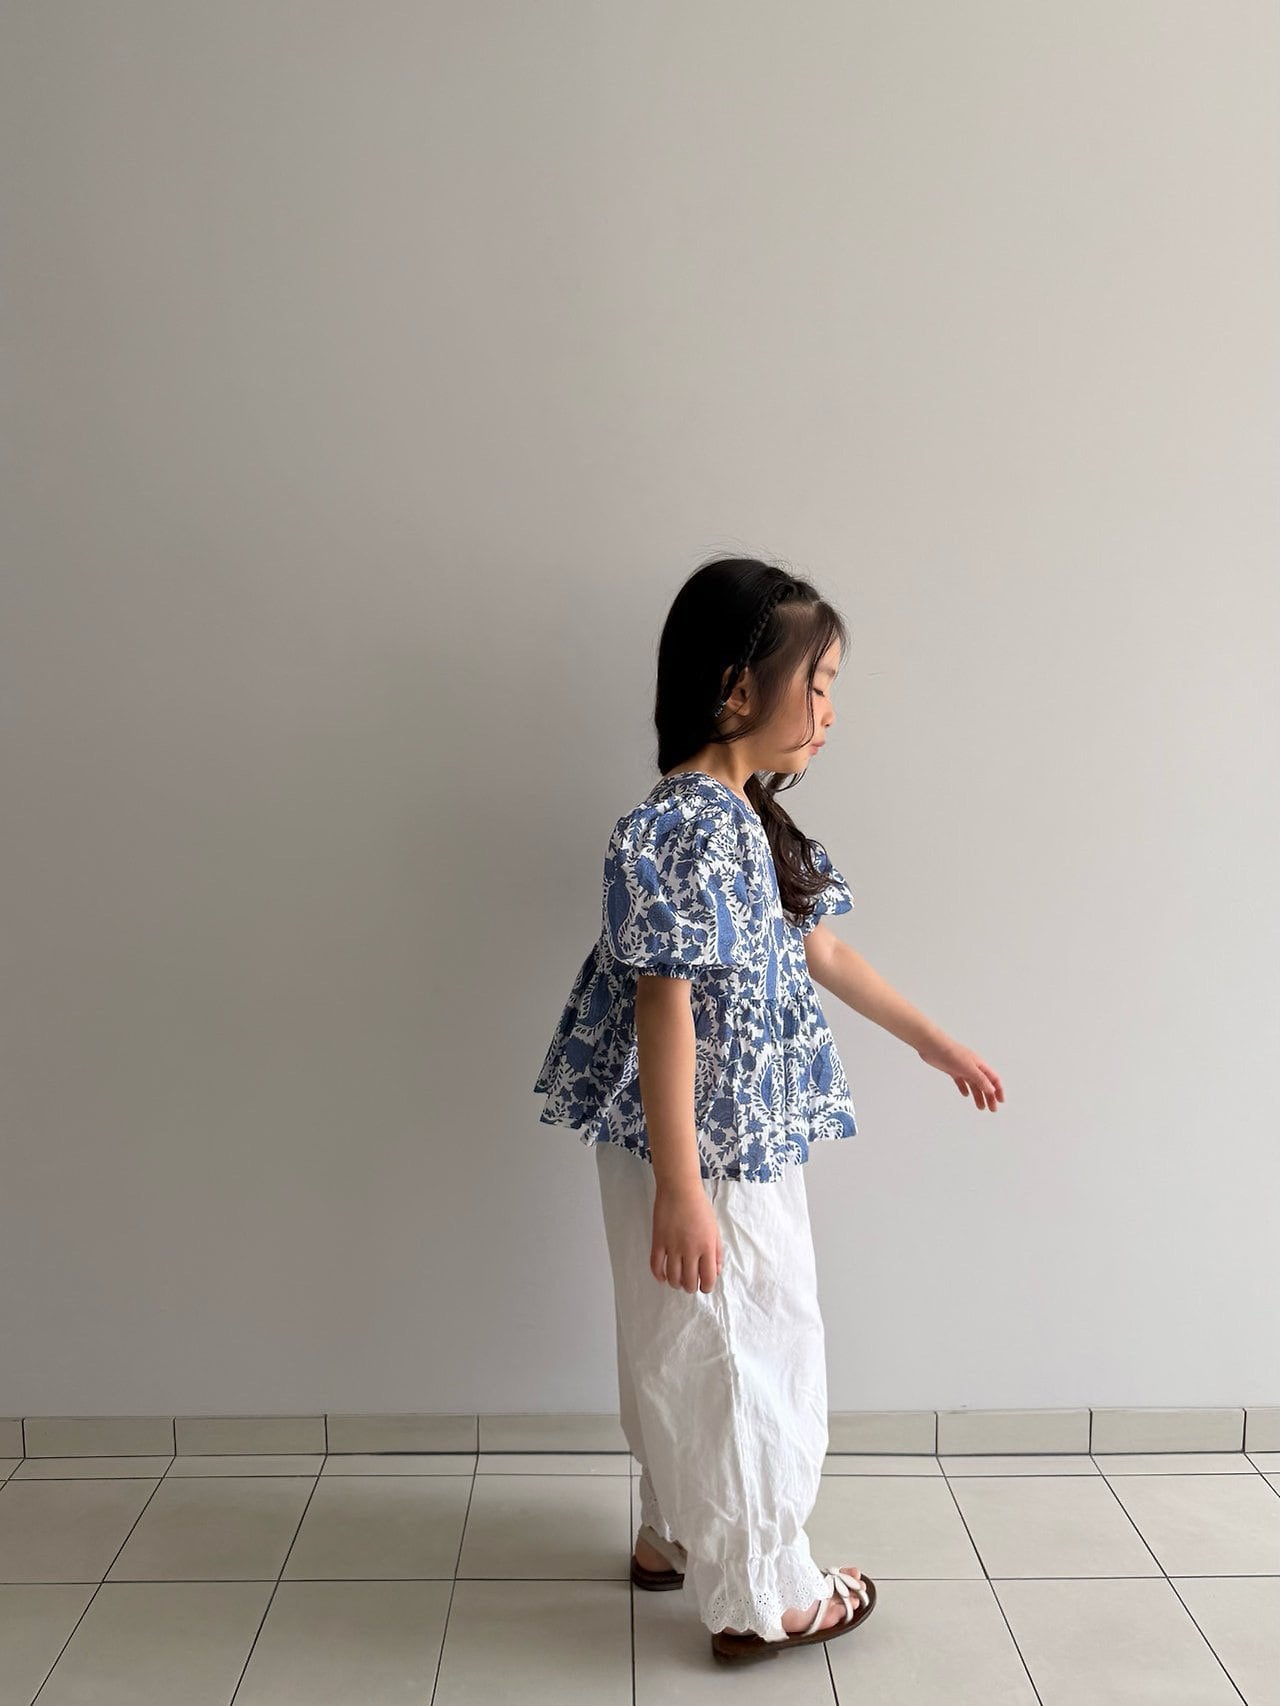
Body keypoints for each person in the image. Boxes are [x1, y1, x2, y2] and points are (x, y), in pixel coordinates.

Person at [533, 556, 1005, 1663]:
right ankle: (763, 1592)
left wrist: (931, 1040)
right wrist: (683, 1186)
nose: (830, 712)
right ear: (737, 687)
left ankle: (670, 1533)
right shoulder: (690, 827)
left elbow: (820, 950)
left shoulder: (741, 820)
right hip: (704, 1148)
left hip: (709, 1137)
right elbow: (663, 999)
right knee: (745, 1342)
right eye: (818, 683)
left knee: (685, 1335)